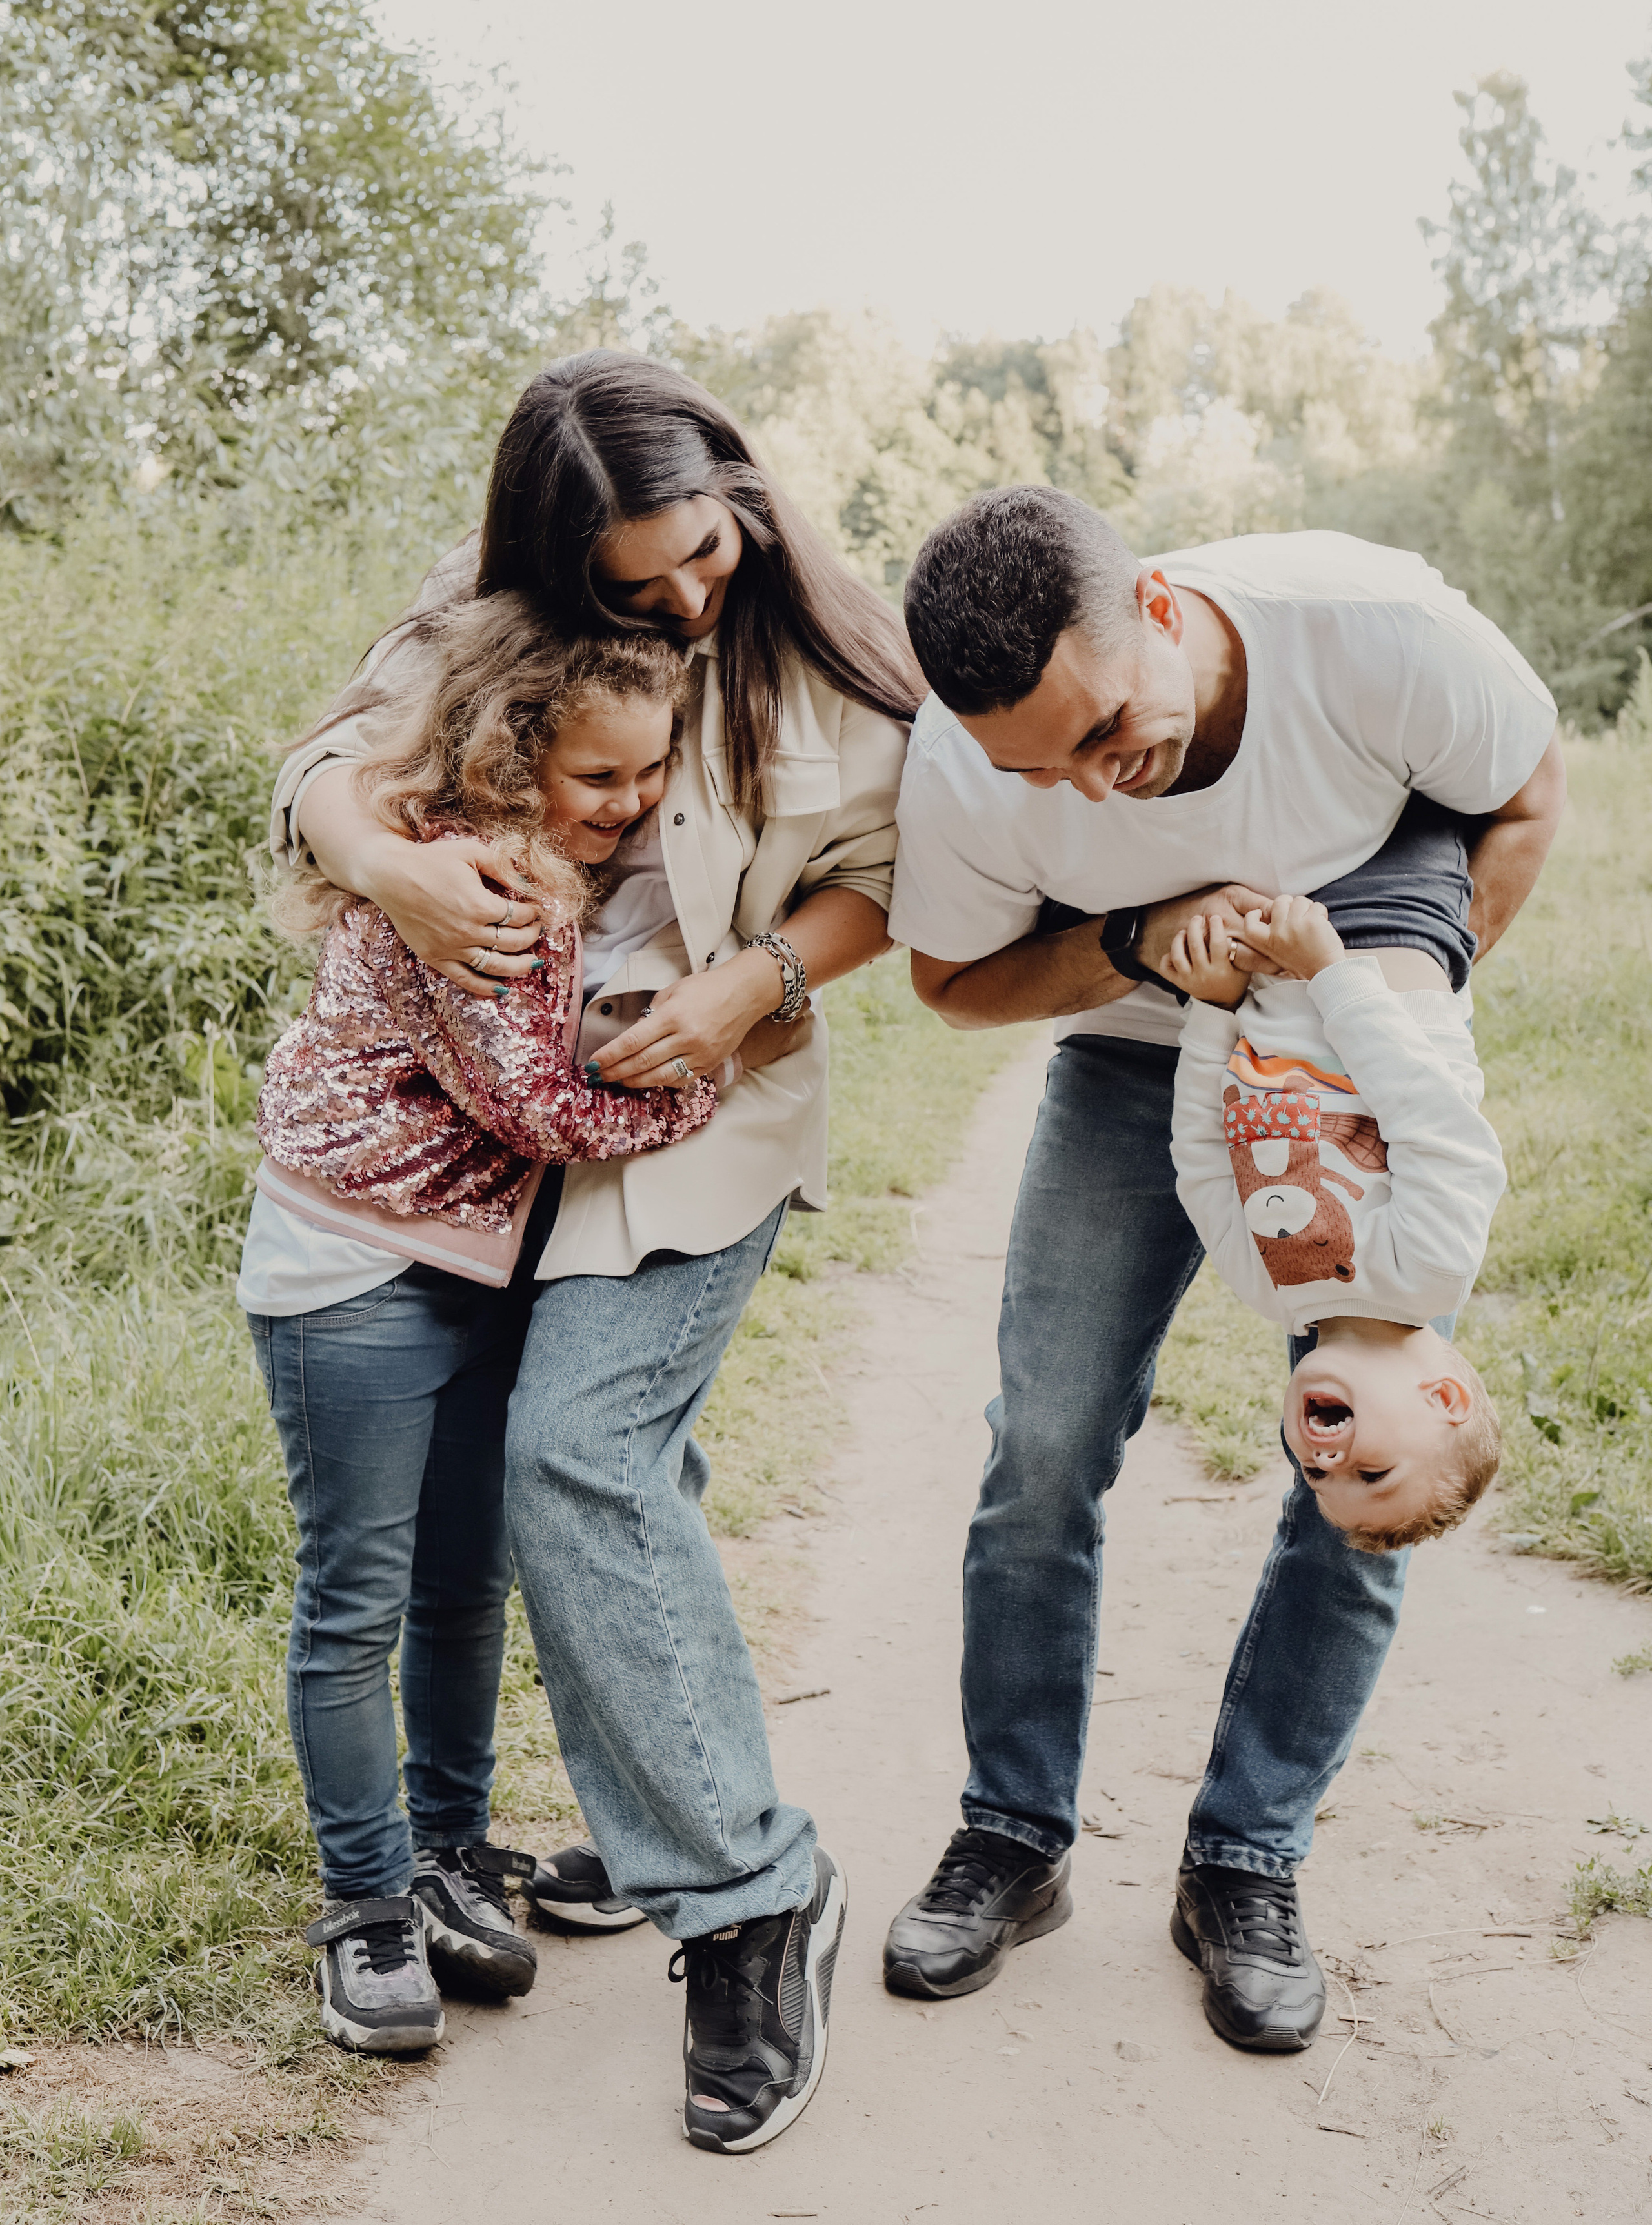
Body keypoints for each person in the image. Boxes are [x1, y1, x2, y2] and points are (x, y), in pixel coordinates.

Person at [267, 351, 920, 2151]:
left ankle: (745, 1894)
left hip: (698, 1120)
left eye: (704, 553)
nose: (692, 601)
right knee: (561, 1502)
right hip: (489, 1154)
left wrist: (751, 984)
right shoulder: (486, 623)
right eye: (640, 591)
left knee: (579, 1459)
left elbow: (894, 874)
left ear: (739, 485)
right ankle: (502, 1844)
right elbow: (329, 763)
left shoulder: (838, 654)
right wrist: (384, 867)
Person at [881, 488, 1565, 2053]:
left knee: (1365, 1474)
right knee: (1041, 1447)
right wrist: (1138, 946)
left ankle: (1243, 1858)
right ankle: (1011, 1834)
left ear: (1165, 611)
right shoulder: (965, 763)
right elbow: (953, 980)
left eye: (1104, 729)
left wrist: (1388, 1028)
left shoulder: (1367, 625)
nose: (1080, 785)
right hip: (1143, 1070)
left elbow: (1521, 794)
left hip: (1364, 1069)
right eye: (1034, 768)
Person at [243, 618, 719, 2055]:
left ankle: (451, 1853)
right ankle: (367, 1903)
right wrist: (710, 1068)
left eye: (649, 772)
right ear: (516, 754)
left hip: (476, 1263)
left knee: (466, 1586)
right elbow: (541, 1109)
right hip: (355, 1267)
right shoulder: (483, 884)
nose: (628, 799)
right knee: (358, 1597)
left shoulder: (557, 860)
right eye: (597, 770)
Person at [1163, 885, 1504, 1553]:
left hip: (1263, 967)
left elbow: (1201, 1160)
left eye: (1318, 1478)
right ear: (1444, 1399)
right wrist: (1329, 971)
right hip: (1376, 940)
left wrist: (1214, 1007)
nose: (1324, 1461)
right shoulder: (1431, 1267)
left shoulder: (1269, 1288)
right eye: (1371, 1472)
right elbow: (1429, 1113)